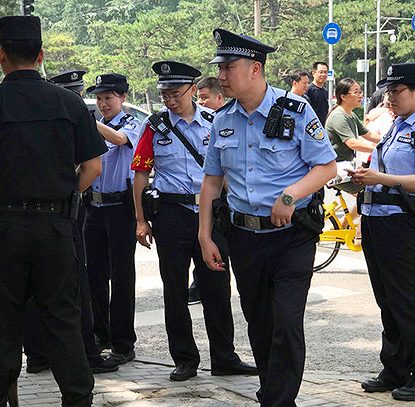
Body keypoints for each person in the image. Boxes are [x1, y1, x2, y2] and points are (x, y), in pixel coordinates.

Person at [0, 16, 108, 407]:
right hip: (55, 228)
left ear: (1, 56)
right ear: (41, 56)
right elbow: (93, 166)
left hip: (4, 228)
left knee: (1, 324)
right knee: (63, 321)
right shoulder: (71, 105)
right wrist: (65, 198)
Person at [199, 29, 337, 407]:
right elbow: (211, 181)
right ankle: (271, 394)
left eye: (229, 68)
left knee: (285, 321)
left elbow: (327, 167)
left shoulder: (294, 111)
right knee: (259, 323)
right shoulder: (222, 119)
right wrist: (205, 234)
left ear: (254, 69)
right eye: (220, 68)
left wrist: (291, 194)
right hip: (244, 237)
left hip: (292, 237)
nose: (221, 75)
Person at [132, 60, 257, 382]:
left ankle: (225, 357)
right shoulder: (154, 126)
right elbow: (141, 175)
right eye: (164, 95)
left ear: (192, 90)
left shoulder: (216, 122)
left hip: (212, 214)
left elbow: (231, 169)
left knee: (217, 286)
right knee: (174, 289)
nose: (170, 100)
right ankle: (185, 359)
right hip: (171, 215)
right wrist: (141, 220)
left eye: (175, 93)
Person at [351, 62, 415, 403]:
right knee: (387, 300)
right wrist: (363, 174)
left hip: (399, 223)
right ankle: (394, 369)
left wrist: (380, 179)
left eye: (396, 90)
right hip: (375, 217)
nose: (389, 96)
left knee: (408, 301)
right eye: (388, 91)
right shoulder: (395, 125)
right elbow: (381, 167)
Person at [22, 68, 119, 376]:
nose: (78, 98)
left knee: (34, 283)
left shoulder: (37, 118)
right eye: (75, 93)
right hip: (64, 210)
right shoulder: (74, 119)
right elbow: (93, 168)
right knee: (75, 284)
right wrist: (70, 194)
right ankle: (86, 354)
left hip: (27, 211)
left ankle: (38, 355)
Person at [83, 73, 140, 367]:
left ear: (122, 98)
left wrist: (90, 122)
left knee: (121, 276)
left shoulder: (131, 123)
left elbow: (119, 140)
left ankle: (123, 342)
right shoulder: (93, 123)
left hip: (120, 207)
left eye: (109, 98)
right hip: (93, 206)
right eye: (99, 98)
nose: (103, 103)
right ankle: (99, 334)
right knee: (94, 275)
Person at [325, 78, 381, 239]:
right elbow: (353, 143)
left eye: (360, 91)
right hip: (335, 169)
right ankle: (358, 235)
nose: (360, 95)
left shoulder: (350, 115)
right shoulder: (339, 117)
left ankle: (343, 227)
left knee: (368, 193)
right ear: (343, 96)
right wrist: (378, 149)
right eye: (356, 92)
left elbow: (368, 134)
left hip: (345, 166)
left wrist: (387, 141)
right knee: (369, 193)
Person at [188, 75, 226, 305]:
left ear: (219, 97)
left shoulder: (224, 123)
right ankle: (198, 286)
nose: (200, 102)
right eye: (198, 98)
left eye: (205, 98)